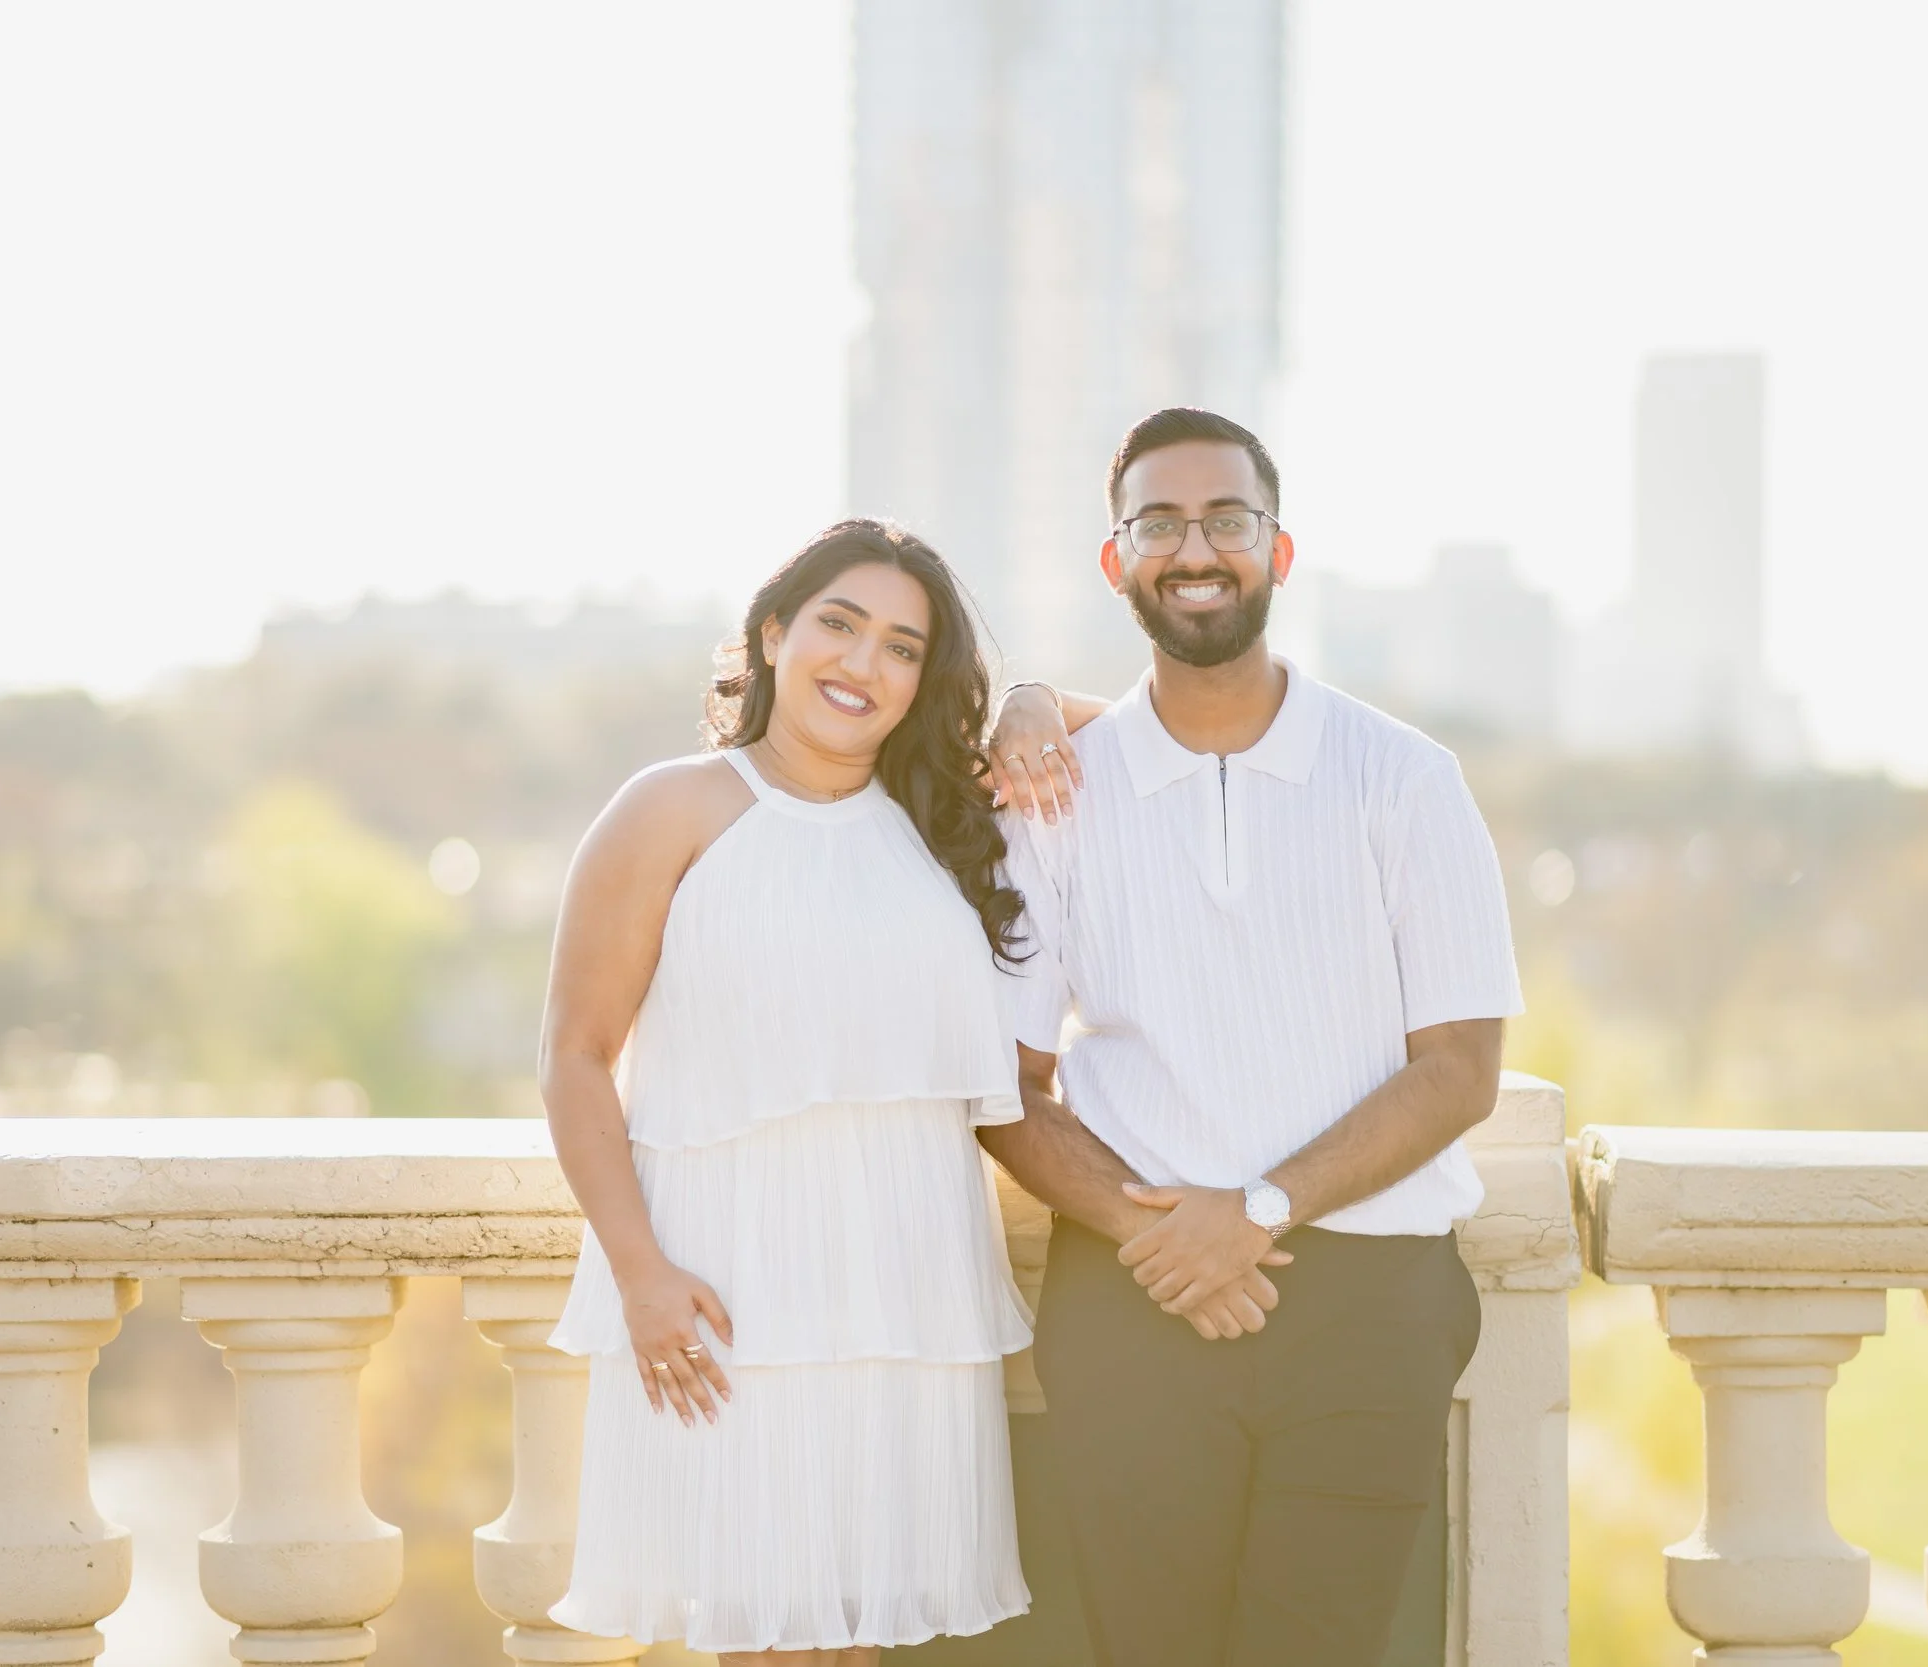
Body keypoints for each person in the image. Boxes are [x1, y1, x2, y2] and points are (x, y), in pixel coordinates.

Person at [977, 407, 1522, 1666]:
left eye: (1228, 518)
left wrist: (1258, 1209)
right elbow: (1006, 1084)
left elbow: (1459, 1068)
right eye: (1158, 522)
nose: (1195, 547)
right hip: (1132, 1292)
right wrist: (1159, 1232)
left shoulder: (1405, 778)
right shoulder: (1057, 791)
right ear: (1116, 562)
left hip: (1368, 1299)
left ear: (1279, 550)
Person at [540, 519, 1035, 1665]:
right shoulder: (671, 807)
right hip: (731, 1289)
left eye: (904, 648)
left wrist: (1035, 701)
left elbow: (1139, 730)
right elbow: (574, 1053)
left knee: (856, 1642)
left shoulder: (938, 819)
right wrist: (638, 1273)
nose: (864, 665)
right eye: (840, 625)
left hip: (900, 1298)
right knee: (761, 1640)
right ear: (773, 634)